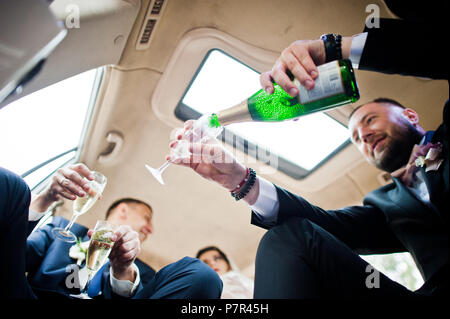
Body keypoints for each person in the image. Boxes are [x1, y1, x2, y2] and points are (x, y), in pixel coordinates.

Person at [169, 10, 448, 298]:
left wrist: (334, 48)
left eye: (370, 120)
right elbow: (326, 226)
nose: (363, 136)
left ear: (411, 116)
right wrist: (241, 181)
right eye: (355, 137)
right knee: (287, 238)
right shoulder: (386, 204)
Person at [1, 163, 222, 299]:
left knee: (201, 275)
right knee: (12, 186)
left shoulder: (143, 272)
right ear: (123, 210)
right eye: (147, 218)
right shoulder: (60, 229)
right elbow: (14, 253)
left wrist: (123, 269)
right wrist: (45, 198)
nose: (151, 229)